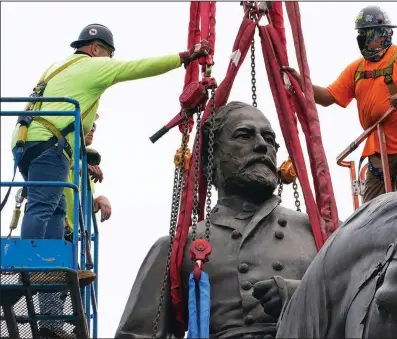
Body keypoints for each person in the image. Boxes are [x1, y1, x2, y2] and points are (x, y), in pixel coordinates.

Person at [10, 23, 209, 338]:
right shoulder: (92, 66)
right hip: (51, 143)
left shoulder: (58, 68)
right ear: (95, 49)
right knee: (44, 205)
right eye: (107, 55)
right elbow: (135, 68)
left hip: (29, 142)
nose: (109, 61)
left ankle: (46, 273)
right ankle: (29, 264)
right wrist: (184, 57)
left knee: (58, 217)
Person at [115, 101, 320, 338]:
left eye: (270, 139)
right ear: (210, 158)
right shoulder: (176, 249)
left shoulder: (314, 232)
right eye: (244, 135)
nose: (263, 146)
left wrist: (296, 294)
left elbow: (358, 303)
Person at [283, 6, 397, 203]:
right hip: (377, 153)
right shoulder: (357, 69)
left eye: (369, 34)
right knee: (370, 213)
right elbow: (328, 97)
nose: (364, 40)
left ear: (385, 34)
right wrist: (300, 82)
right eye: (361, 34)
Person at [63, 114, 111, 287]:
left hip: (71, 236)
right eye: (89, 123)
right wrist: (81, 165)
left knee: (65, 293)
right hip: (55, 227)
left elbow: (81, 203)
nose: (93, 128)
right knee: (51, 291)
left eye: (94, 126)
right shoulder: (63, 150)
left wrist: (99, 198)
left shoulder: (85, 174)